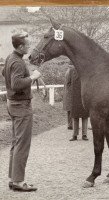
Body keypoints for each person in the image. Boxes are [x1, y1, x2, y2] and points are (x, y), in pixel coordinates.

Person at [2, 32, 41, 192]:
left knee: (16, 143)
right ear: (20, 47)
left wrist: (27, 74)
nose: (30, 46)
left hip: (13, 104)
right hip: (21, 106)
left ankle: (14, 179)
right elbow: (16, 83)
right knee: (22, 144)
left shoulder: (11, 58)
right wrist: (33, 77)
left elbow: (4, 73)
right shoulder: (17, 62)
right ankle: (18, 181)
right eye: (27, 44)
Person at [63, 65, 89, 141]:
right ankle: (75, 135)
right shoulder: (71, 70)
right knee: (75, 116)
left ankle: (84, 134)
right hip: (74, 96)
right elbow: (68, 83)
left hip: (84, 96)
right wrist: (72, 93)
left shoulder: (85, 69)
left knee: (85, 116)